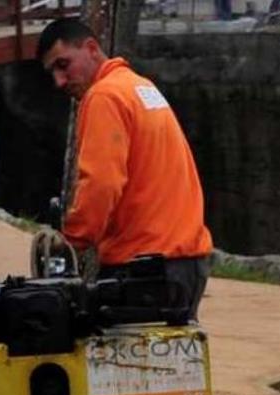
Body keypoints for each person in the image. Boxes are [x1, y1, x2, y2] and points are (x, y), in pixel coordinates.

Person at [37, 18, 213, 320]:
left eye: (63, 65)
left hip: (143, 270)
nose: (59, 81)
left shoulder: (104, 97)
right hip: (188, 263)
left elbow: (101, 184)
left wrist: (71, 242)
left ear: (92, 49)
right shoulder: (142, 88)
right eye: (53, 72)